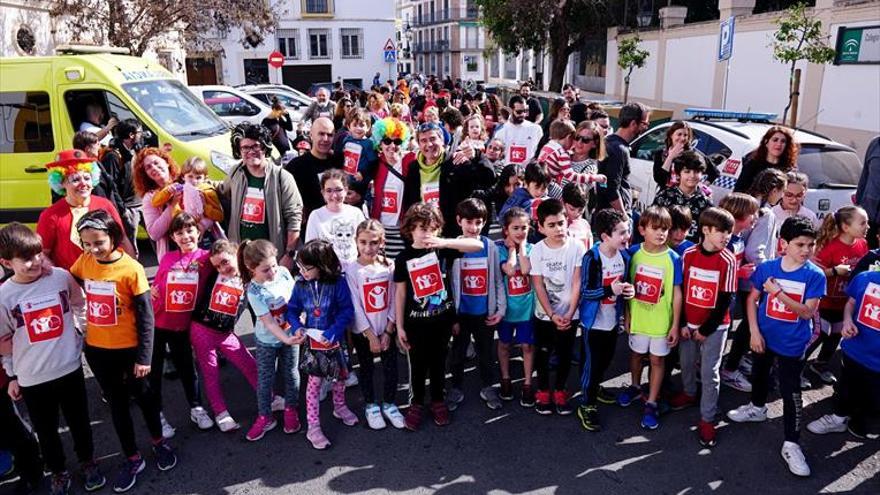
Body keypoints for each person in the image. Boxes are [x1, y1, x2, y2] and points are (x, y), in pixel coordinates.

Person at [69, 210, 176, 493]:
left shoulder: (131, 269)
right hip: (98, 351)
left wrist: (144, 357)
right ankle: (132, 456)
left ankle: (158, 442)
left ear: (113, 238)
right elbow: (74, 280)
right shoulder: (85, 261)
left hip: (130, 351)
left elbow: (146, 317)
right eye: (87, 243)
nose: (92, 249)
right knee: (117, 406)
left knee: (145, 399)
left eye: (98, 242)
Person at [0, 223, 105, 494]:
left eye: (37, 254)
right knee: (46, 432)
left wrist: (80, 331)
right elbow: (4, 340)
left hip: (69, 368)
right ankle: (58, 471)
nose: (35, 262)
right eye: (25, 258)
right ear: (6, 262)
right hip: (32, 378)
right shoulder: (4, 296)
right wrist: (11, 374)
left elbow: (80, 303)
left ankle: (88, 462)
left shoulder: (59, 276)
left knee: (80, 422)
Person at [727, 216, 826, 478]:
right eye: (800, 244)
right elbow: (752, 300)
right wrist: (754, 332)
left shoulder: (814, 275)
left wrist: (778, 293)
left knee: (790, 391)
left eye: (811, 245)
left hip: (793, 344)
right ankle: (757, 409)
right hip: (764, 338)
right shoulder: (768, 267)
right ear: (784, 243)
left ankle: (792, 444)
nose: (806, 250)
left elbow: (806, 313)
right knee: (759, 374)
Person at [393, 203, 482, 431]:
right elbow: (401, 293)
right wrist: (400, 326)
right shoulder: (403, 258)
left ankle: (438, 400)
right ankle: (416, 403)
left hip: (442, 322)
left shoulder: (443, 249)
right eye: (422, 228)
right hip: (415, 324)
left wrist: (444, 242)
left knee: (439, 363)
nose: (427, 234)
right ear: (410, 229)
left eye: (432, 228)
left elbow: (477, 244)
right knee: (418, 366)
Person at [672, 208, 738, 447]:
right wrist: (681, 324)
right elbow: (680, 290)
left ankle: (708, 419)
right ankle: (689, 393)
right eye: (720, 231)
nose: (726, 236)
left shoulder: (728, 260)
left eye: (729, 231)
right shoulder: (688, 254)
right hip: (688, 326)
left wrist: (705, 329)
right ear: (705, 230)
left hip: (715, 328)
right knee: (687, 363)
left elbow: (724, 301)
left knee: (710, 372)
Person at [616, 206, 683, 431]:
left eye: (665, 228)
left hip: (661, 323)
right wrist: (627, 316)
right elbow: (626, 287)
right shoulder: (633, 252)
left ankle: (652, 402)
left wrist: (674, 324)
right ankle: (635, 386)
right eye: (655, 228)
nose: (661, 233)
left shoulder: (673, 257)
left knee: (657, 361)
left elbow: (676, 293)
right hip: (638, 320)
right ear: (642, 229)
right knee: (636, 355)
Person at [286, 239, 356, 450]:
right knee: (314, 385)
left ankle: (340, 406)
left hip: (334, 341)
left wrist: (334, 331)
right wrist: (297, 326)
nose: (302, 272)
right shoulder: (300, 285)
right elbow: (291, 310)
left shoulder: (338, 283)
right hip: (313, 344)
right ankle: (313, 426)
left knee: (340, 379)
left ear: (322, 265)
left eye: (307, 268)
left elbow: (347, 311)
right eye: (299, 267)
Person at [149, 213, 215, 435]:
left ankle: (196, 407)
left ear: (199, 231)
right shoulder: (167, 258)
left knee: (188, 369)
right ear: (173, 237)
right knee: (153, 372)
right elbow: (156, 286)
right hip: (157, 324)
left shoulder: (207, 258)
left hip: (183, 326)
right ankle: (157, 413)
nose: (186, 236)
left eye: (190, 230)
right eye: (179, 233)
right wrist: (153, 292)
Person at [189, 240, 258, 433]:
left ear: (237, 256)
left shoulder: (249, 277)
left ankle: (268, 397)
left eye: (225, 262)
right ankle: (221, 413)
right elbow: (197, 260)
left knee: (249, 364)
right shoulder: (212, 274)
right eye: (218, 265)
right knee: (211, 373)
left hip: (225, 333)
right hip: (202, 330)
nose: (222, 268)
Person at [576, 209, 633, 432]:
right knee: (591, 364)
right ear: (605, 236)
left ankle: (594, 387)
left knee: (606, 359)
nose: (626, 236)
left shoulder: (625, 256)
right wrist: (611, 289)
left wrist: (629, 291)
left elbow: (626, 286)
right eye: (621, 232)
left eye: (627, 231)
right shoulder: (592, 257)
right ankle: (587, 404)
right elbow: (586, 292)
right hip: (593, 324)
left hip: (612, 322)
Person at [343, 221, 405, 430]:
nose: (368, 248)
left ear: (382, 242)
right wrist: (370, 336)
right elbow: (356, 305)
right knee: (367, 369)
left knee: (391, 370)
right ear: (356, 242)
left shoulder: (389, 266)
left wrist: (389, 330)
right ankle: (370, 405)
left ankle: (389, 404)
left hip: (386, 330)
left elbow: (394, 299)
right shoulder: (351, 270)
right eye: (363, 242)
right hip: (364, 333)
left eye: (373, 242)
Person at [806, 268, 880, 439]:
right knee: (847, 387)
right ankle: (838, 418)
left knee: (873, 396)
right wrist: (847, 321)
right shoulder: (865, 278)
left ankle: (866, 421)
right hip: (855, 350)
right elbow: (851, 303)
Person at [447, 199, 506, 411]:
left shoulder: (490, 247)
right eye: (468, 222)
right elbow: (448, 284)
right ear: (458, 221)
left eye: (478, 222)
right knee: (458, 352)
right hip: (461, 313)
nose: (473, 227)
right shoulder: (453, 248)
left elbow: (498, 280)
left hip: (484, 313)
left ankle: (487, 386)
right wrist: (451, 317)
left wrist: (500, 310)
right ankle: (456, 387)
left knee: (486, 352)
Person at [240, 239, 301, 442]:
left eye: (274, 265)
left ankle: (291, 409)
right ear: (251, 268)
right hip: (268, 340)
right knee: (265, 379)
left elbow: (296, 301)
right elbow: (269, 323)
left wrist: (300, 322)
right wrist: (287, 339)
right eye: (266, 270)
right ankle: (265, 416)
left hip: (291, 334)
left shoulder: (283, 272)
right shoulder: (254, 291)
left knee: (291, 374)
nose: (273, 272)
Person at [529, 199, 586, 416]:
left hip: (570, 315)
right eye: (551, 225)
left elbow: (577, 281)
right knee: (543, 355)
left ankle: (561, 390)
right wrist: (552, 314)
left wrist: (570, 313)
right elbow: (539, 285)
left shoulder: (577, 246)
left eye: (561, 223)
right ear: (541, 227)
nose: (558, 229)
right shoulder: (537, 250)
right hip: (545, 316)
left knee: (564, 355)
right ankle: (543, 390)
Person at [220, 123, 303, 268]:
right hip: (242, 255)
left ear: (265, 147)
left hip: (271, 258)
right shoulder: (236, 172)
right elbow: (221, 190)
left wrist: (289, 255)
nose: (250, 151)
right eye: (245, 147)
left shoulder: (282, 177)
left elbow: (294, 218)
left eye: (255, 146)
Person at [38, 149, 134, 270]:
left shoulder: (105, 205)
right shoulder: (51, 214)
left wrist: (132, 268)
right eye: (75, 179)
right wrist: (61, 279)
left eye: (87, 178)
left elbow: (122, 240)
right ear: (62, 183)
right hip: (71, 281)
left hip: (107, 277)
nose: (83, 183)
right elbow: (42, 254)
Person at [804, 206, 869, 385]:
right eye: (863, 223)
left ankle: (820, 365)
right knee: (819, 335)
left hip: (845, 302)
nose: (868, 226)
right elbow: (814, 274)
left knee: (837, 335)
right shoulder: (830, 247)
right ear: (846, 227)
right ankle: (795, 367)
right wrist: (835, 271)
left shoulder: (862, 244)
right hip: (823, 302)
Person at [718, 193, 762, 392]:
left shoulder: (737, 238)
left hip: (731, 296)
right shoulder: (722, 241)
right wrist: (739, 271)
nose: (756, 218)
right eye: (753, 213)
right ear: (740, 215)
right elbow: (713, 271)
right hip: (719, 301)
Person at [495, 207, 537, 407]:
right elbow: (511, 270)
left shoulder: (532, 249)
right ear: (506, 230)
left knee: (527, 346)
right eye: (515, 228)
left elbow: (526, 268)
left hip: (526, 311)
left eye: (524, 228)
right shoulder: (500, 250)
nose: (520, 232)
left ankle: (528, 383)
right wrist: (511, 249)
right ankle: (505, 378)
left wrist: (521, 247)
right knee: (504, 344)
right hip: (507, 311)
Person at [283, 117, 340, 229]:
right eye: (321, 134)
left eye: (330, 135)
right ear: (311, 135)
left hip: (337, 225)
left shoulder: (339, 162)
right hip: (309, 230)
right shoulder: (296, 166)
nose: (325, 139)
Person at [367, 117, 411, 258]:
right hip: (381, 228)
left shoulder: (410, 161)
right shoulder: (375, 163)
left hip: (402, 228)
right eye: (387, 141)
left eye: (397, 141)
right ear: (380, 143)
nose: (392, 146)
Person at [150, 157, 224, 239]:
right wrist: (167, 191)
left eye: (198, 177)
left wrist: (205, 208)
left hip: (206, 234)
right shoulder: (179, 189)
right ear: (183, 177)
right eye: (190, 177)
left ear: (205, 178)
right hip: (183, 231)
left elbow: (219, 216)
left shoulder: (208, 191)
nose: (194, 181)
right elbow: (155, 202)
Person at [101, 119, 144, 254]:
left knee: (158, 239)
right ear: (131, 135)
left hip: (142, 203)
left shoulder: (136, 150)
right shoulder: (113, 156)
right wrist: (122, 209)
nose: (141, 135)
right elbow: (111, 186)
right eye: (139, 132)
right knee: (130, 247)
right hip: (128, 208)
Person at [304, 170, 366, 263]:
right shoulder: (316, 216)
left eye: (338, 190)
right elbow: (310, 250)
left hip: (352, 272)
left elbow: (365, 244)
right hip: (326, 273)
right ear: (323, 193)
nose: (334, 195)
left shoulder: (356, 213)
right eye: (329, 191)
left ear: (346, 190)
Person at [598, 102, 650, 213]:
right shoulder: (619, 149)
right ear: (633, 124)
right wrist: (624, 215)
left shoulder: (609, 141)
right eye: (644, 124)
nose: (646, 128)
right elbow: (611, 189)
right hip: (614, 217)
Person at [133, 146, 183, 259]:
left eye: (156, 162)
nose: (154, 168)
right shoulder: (150, 197)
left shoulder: (186, 180)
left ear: (166, 162)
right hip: (174, 254)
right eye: (148, 167)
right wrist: (172, 206)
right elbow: (154, 233)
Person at [652, 151, 713, 242]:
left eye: (696, 171)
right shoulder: (664, 196)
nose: (692, 176)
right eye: (687, 171)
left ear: (702, 174)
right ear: (678, 173)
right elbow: (652, 221)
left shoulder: (705, 202)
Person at [652, 121, 719, 191]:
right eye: (679, 134)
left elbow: (714, 172)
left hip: (686, 197)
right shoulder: (660, 154)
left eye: (685, 135)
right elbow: (659, 179)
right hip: (666, 196)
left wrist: (702, 187)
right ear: (671, 135)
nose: (682, 138)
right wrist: (670, 157)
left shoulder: (693, 154)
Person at [539, 120, 606, 187]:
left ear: (595, 143)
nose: (579, 142)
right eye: (577, 137)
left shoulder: (590, 167)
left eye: (586, 139)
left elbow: (577, 194)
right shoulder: (562, 154)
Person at [733, 126, 799, 194]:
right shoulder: (752, 165)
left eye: (783, 141)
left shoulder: (789, 168)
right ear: (766, 142)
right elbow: (738, 192)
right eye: (775, 140)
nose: (779, 144)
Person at [493, 96, 544, 169]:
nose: (523, 114)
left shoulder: (536, 129)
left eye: (525, 111)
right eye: (519, 112)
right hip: (508, 174)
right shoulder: (501, 132)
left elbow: (541, 154)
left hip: (529, 174)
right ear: (511, 110)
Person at [335, 108, 377, 195]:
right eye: (355, 125)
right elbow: (341, 156)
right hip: (345, 179)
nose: (358, 128)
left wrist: (363, 174)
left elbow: (373, 164)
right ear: (349, 127)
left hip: (359, 182)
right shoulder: (346, 140)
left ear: (368, 127)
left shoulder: (368, 144)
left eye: (362, 125)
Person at [855, 136, 880, 248]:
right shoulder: (875, 144)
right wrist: (858, 209)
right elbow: (864, 178)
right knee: (866, 258)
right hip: (869, 216)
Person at [562, 183, 593, 249]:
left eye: (581, 210)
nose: (576, 214)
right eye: (572, 209)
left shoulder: (585, 224)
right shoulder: (560, 226)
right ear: (563, 202)